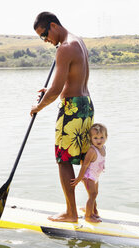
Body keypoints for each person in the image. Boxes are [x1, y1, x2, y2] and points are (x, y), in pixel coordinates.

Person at [30, 12, 94, 222]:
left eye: (44, 34)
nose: (45, 40)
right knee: (85, 158)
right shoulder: (78, 42)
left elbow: (57, 90)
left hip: (71, 108)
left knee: (63, 160)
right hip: (86, 105)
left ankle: (71, 213)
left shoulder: (64, 48)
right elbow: (70, 79)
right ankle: (92, 210)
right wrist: (49, 90)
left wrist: (38, 106)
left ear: (53, 26)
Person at [71, 123, 107, 223]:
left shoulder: (103, 148)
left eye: (101, 137)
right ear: (91, 138)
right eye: (95, 138)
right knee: (92, 195)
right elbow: (85, 165)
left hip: (95, 176)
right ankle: (88, 216)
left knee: (95, 194)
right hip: (88, 176)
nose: (99, 140)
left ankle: (92, 210)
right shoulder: (92, 150)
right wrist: (79, 178)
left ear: (106, 137)